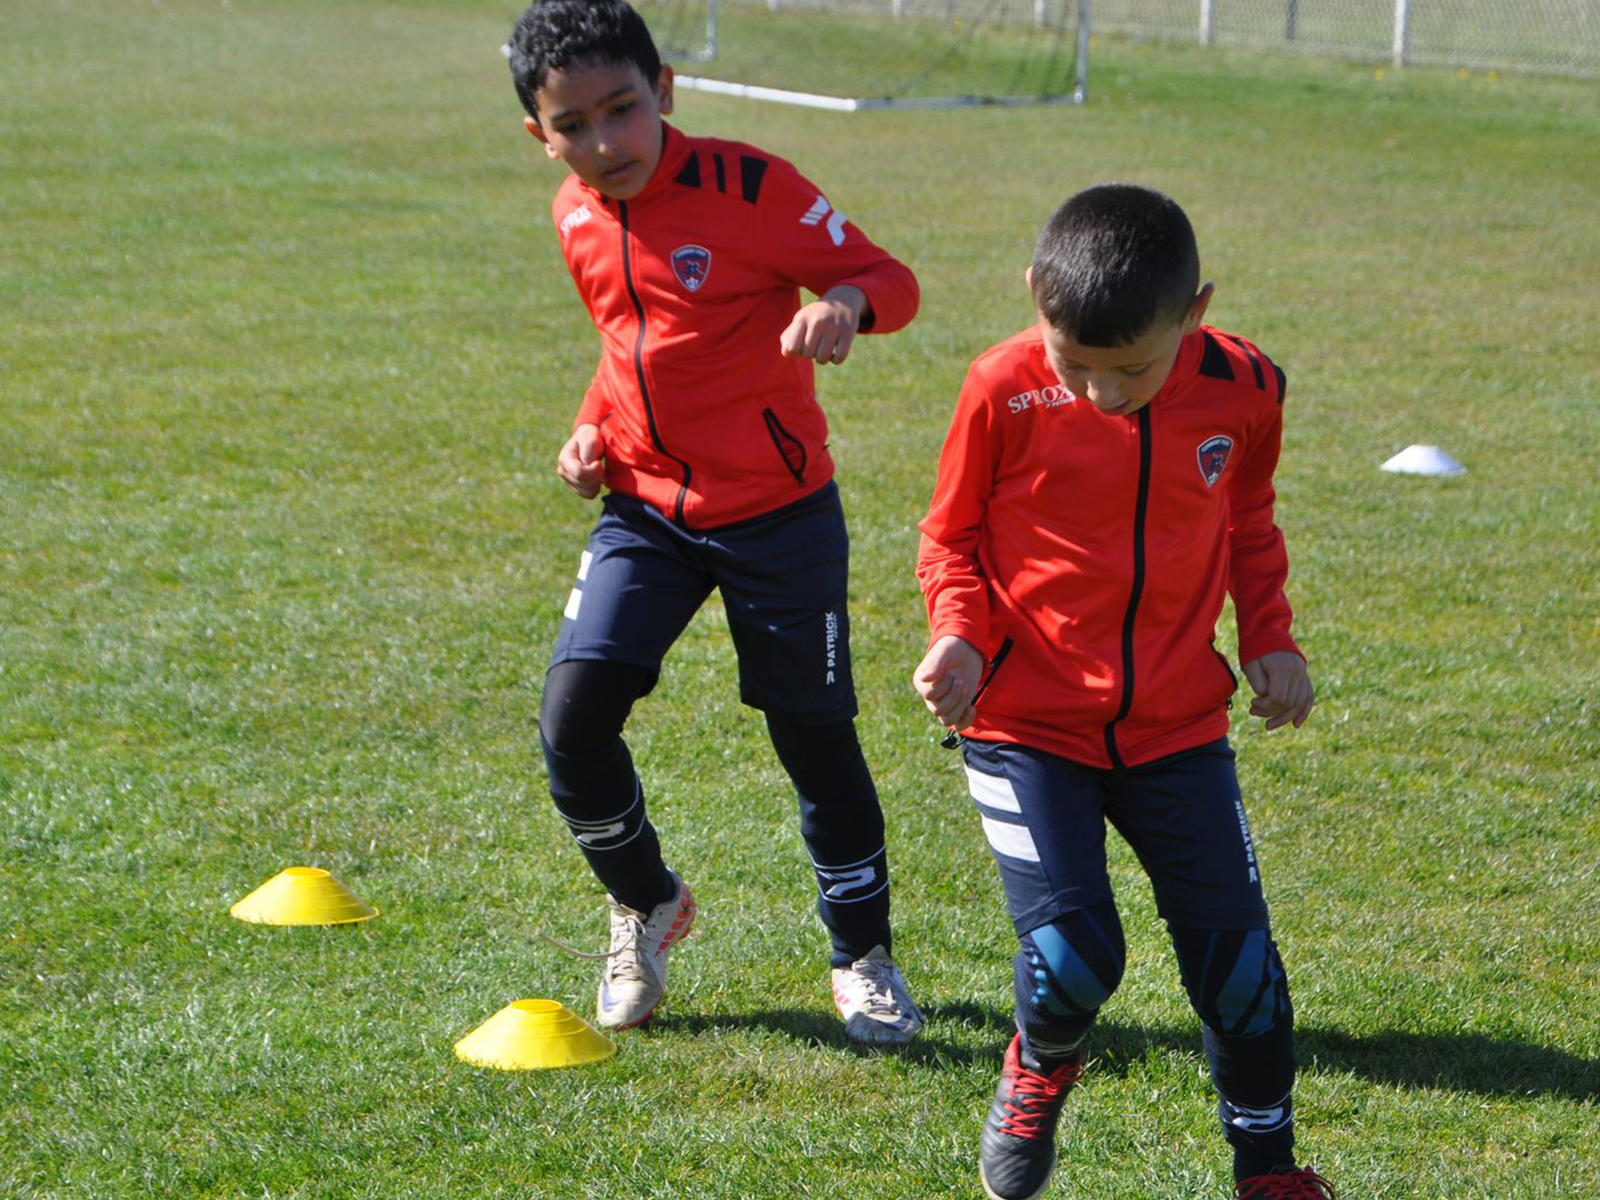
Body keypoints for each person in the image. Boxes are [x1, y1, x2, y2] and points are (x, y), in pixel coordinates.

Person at [507, 0, 923, 1045]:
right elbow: (624, 345)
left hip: (779, 514)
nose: (604, 142)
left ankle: (861, 955)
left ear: (667, 95)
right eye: (573, 125)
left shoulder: (751, 185)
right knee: (572, 720)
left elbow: (890, 278)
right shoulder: (571, 212)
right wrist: (587, 432)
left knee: (813, 741)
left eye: (624, 109)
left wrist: (842, 307)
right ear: (539, 134)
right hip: (645, 508)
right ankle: (645, 900)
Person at [913, 184, 1332, 1199]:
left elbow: (1248, 523)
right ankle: (1036, 1067)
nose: (1100, 393)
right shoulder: (1000, 386)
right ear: (1034, 302)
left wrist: (1269, 638)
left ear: (1194, 311)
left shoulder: (1244, 384)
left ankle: (1268, 1174)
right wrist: (960, 636)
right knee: (1071, 957)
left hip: (1177, 729)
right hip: (1022, 726)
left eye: (1130, 370)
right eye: (1076, 365)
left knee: (1240, 974)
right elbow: (950, 537)